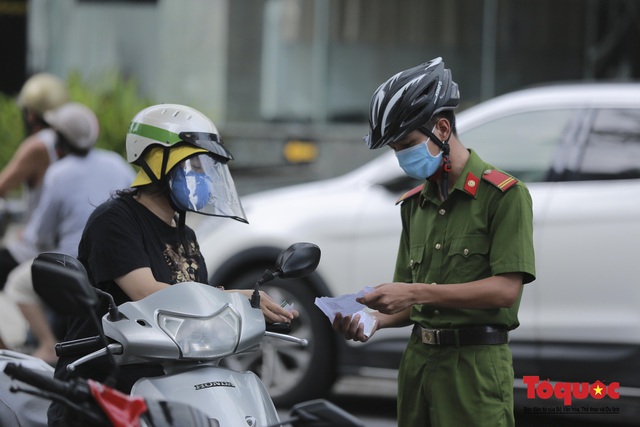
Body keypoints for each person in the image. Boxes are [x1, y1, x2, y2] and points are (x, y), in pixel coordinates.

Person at [48, 104, 297, 426]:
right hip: (107, 383)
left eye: (204, 166)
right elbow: (147, 293)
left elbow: (197, 301)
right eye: (191, 164)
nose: (201, 175)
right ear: (155, 158)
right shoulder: (115, 220)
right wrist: (241, 297)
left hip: (171, 376)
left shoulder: (184, 231)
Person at [332, 58, 536, 427]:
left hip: (474, 371)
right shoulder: (414, 205)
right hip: (418, 366)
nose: (401, 157)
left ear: (442, 128)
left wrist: (414, 293)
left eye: (407, 143)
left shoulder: (504, 196)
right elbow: (407, 301)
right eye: (394, 149)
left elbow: (505, 291)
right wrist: (374, 319)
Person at [3, 102, 136, 364]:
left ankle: (46, 345)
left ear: (60, 140)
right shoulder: (116, 163)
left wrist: (25, 236)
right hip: (112, 262)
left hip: (73, 267)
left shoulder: (58, 173)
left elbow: (39, 236)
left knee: (17, 285)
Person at [0, 73, 68, 290]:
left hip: (38, 249)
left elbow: (2, 186)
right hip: (66, 247)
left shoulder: (37, 146)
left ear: (31, 115)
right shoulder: (74, 141)